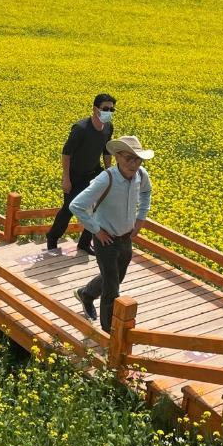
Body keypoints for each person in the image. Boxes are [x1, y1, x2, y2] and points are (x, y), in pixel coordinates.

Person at [72, 136, 153, 333]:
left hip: (125, 237)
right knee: (112, 286)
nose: (134, 164)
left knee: (118, 276)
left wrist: (140, 219)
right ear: (117, 157)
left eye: (137, 159)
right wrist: (96, 230)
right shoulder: (106, 179)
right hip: (105, 239)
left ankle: (86, 293)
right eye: (128, 158)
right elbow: (76, 205)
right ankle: (109, 330)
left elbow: (146, 193)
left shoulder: (141, 175)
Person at [45, 94, 116, 255]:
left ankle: (84, 244)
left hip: (95, 173)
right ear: (95, 109)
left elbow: (106, 150)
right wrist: (66, 178)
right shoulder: (81, 128)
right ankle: (52, 238)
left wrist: (109, 172)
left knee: (97, 209)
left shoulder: (109, 127)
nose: (109, 112)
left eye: (112, 109)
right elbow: (66, 153)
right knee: (69, 209)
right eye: (106, 109)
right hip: (75, 176)